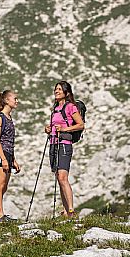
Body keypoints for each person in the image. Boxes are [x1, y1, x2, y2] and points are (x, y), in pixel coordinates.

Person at [45, 81, 84, 218]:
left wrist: (64, 129)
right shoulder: (55, 108)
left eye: (60, 89)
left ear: (66, 93)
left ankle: (71, 210)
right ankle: (66, 211)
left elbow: (80, 125)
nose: (56, 91)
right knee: (58, 177)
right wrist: (48, 129)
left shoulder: (70, 107)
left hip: (64, 144)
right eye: (56, 89)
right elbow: (55, 126)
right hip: (54, 143)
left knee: (63, 177)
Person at [0, 90, 21, 223]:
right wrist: (3, 158)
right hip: (0, 154)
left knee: (4, 186)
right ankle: (0, 216)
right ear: (7, 100)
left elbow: (9, 141)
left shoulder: (9, 118)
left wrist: (13, 159)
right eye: (15, 98)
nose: (17, 101)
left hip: (8, 154)